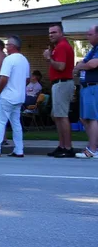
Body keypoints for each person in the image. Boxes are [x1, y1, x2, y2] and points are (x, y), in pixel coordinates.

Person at [0, 36, 30, 157]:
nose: (6, 47)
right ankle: (19, 149)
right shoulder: (24, 60)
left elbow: (4, 78)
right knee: (16, 123)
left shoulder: (9, 59)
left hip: (7, 95)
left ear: (13, 46)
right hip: (19, 96)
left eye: (8, 45)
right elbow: (27, 79)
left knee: (0, 122)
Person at [44, 23, 76, 158]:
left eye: (54, 32)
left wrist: (49, 58)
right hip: (59, 84)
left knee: (62, 116)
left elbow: (61, 66)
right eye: (50, 32)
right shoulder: (59, 47)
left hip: (62, 83)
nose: (51, 34)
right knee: (56, 115)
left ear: (61, 33)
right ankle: (62, 146)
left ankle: (68, 148)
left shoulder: (62, 46)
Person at [74, 25, 98, 159]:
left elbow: (92, 64)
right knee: (84, 118)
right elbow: (84, 62)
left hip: (94, 86)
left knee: (92, 118)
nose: (87, 36)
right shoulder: (93, 49)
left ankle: (93, 149)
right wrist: (82, 65)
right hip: (87, 87)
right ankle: (94, 146)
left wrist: (80, 66)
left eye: (90, 34)